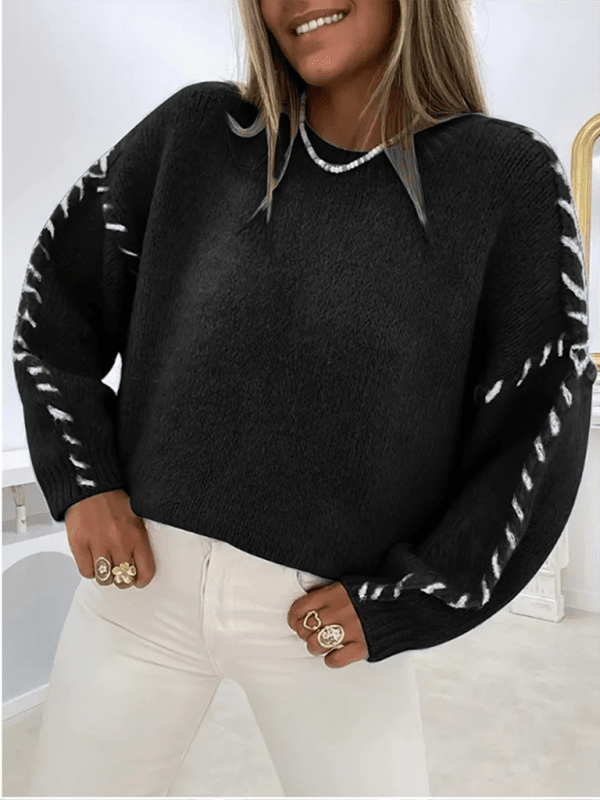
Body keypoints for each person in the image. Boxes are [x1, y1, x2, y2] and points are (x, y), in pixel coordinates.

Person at [12, 0, 596, 796]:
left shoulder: (503, 178)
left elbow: (537, 423)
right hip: (138, 596)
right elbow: (57, 304)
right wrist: (84, 482)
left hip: (325, 624)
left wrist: (411, 600)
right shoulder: (197, 134)